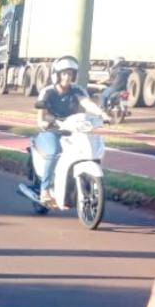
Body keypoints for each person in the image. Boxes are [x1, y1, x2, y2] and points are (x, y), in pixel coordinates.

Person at [33, 55, 103, 201]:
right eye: (64, 73)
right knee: (53, 152)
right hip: (51, 131)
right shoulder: (48, 91)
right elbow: (41, 116)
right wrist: (44, 123)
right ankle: (44, 190)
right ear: (57, 75)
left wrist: (102, 113)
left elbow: (86, 103)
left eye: (70, 73)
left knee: (88, 150)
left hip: (73, 131)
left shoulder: (77, 90)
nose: (67, 77)